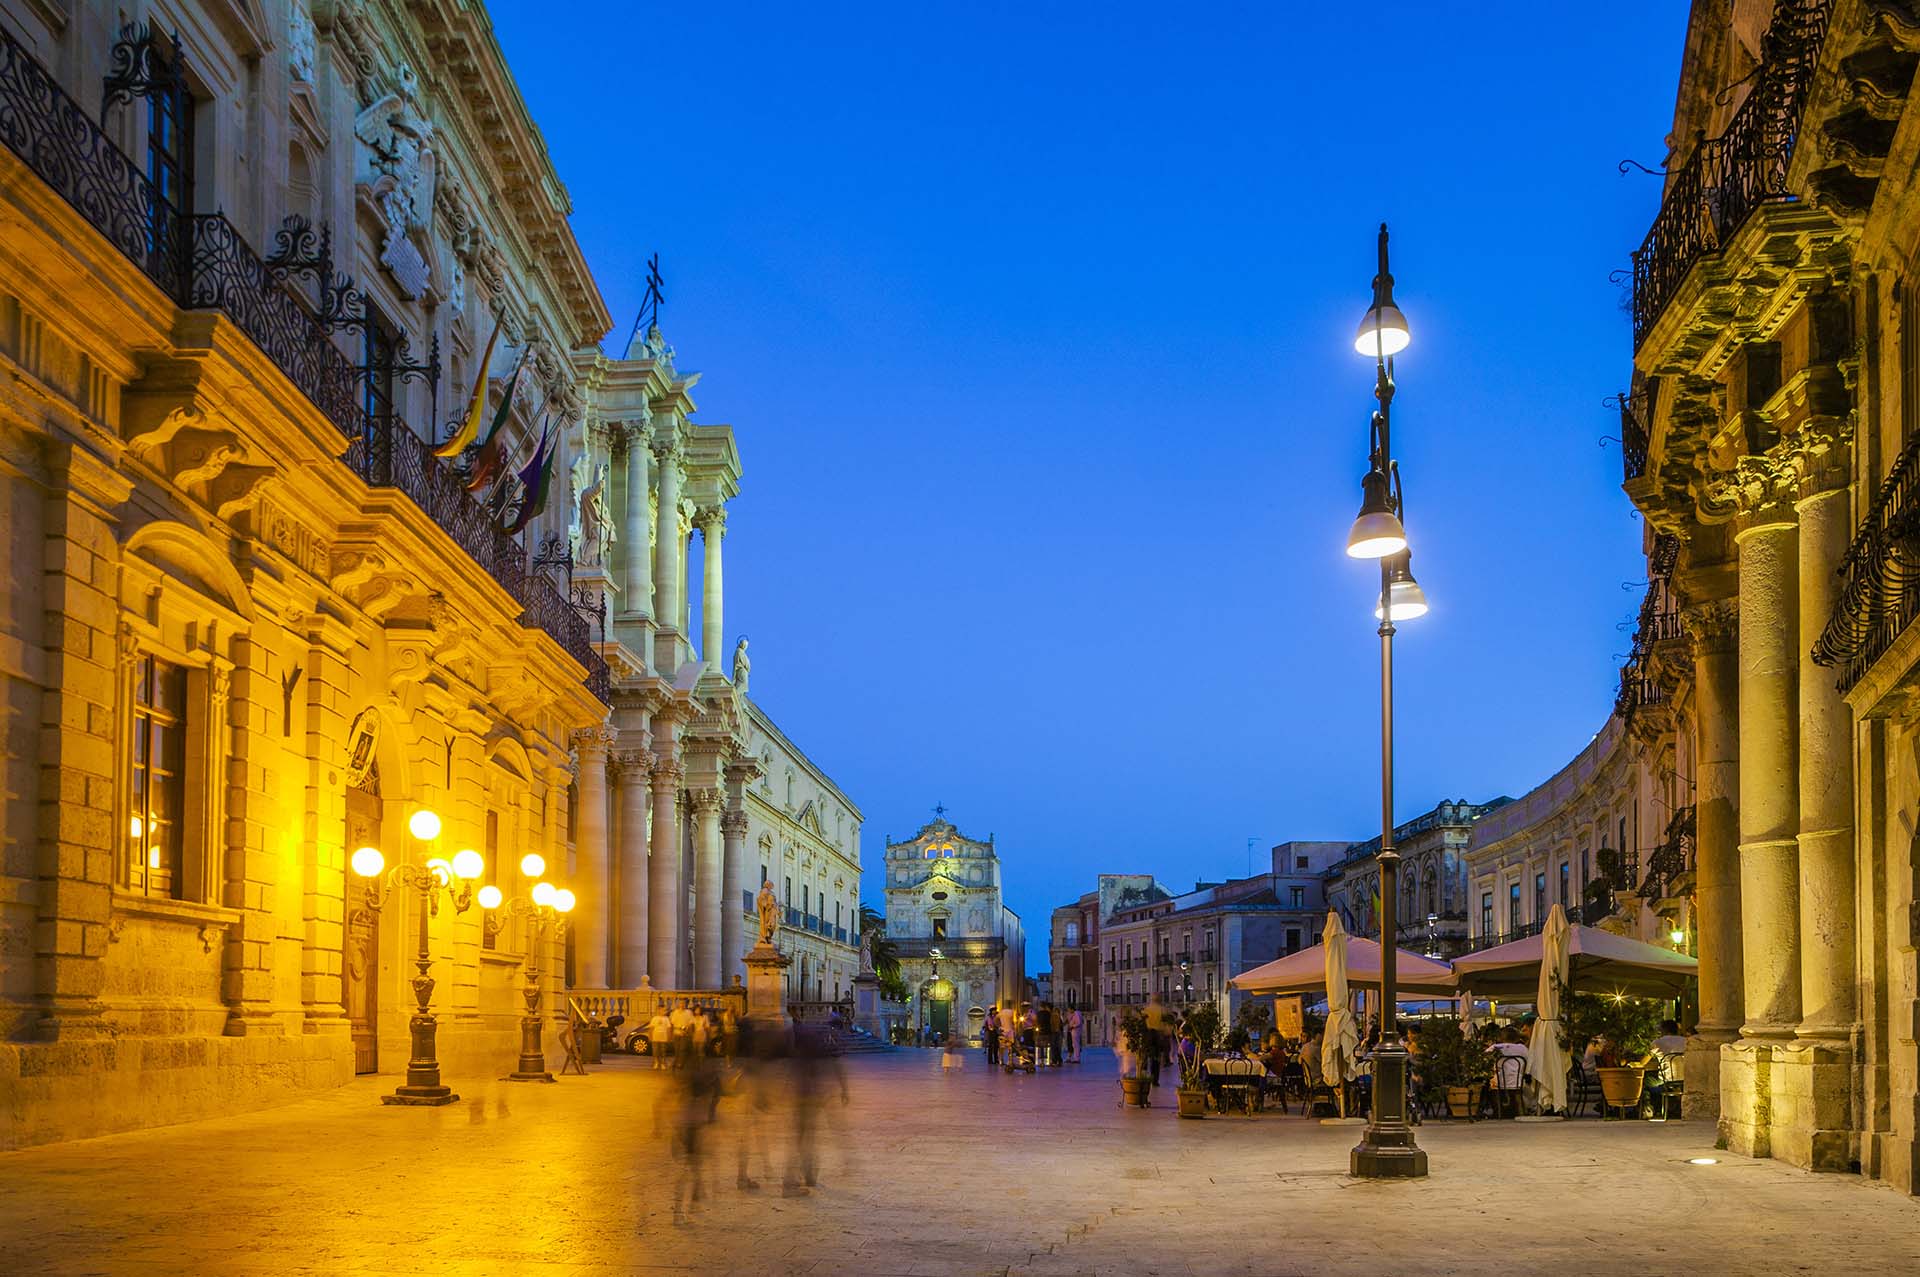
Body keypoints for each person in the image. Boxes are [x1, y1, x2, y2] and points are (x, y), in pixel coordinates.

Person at [1650, 1019, 1688, 1118]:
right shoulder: (1686, 1041)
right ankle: (1674, 1106)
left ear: (1663, 1030)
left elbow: (1644, 1061)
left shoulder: (1657, 1042)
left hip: (1666, 1080)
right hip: (1686, 1078)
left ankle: (1655, 1109)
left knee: (1648, 1081)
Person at [671, 998, 695, 1070]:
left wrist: (688, 1031)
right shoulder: (675, 1012)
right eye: (681, 1003)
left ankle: (680, 1063)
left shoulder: (689, 1012)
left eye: (684, 1003)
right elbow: (672, 1023)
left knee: (682, 1049)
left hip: (685, 1034)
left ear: (686, 1004)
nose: (682, 1004)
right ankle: (676, 1061)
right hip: (676, 1033)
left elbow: (691, 1023)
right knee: (676, 1049)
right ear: (678, 1004)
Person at [648, 1004, 673, 1070]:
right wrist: (650, 1036)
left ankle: (663, 1063)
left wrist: (669, 1037)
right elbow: (651, 1028)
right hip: (655, 1037)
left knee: (663, 1051)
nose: (663, 1011)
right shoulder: (654, 1018)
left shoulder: (666, 1019)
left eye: (664, 1010)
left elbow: (669, 1028)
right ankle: (656, 1062)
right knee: (655, 1051)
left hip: (663, 1038)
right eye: (661, 1010)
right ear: (658, 1010)